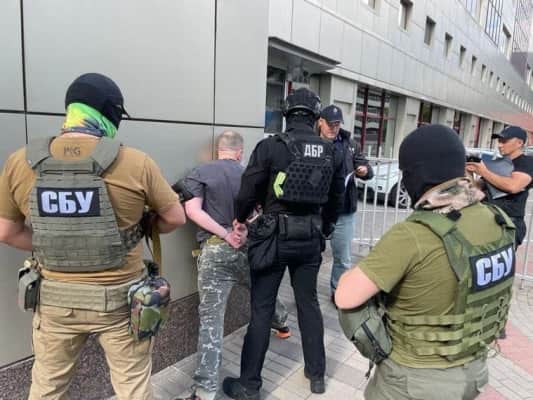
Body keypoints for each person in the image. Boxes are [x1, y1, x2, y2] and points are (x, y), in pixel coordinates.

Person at [0, 73, 186, 400]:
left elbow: (6, 231)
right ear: (110, 112)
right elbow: (175, 217)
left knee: (47, 389)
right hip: (121, 303)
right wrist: (143, 224)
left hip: (55, 303)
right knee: (133, 389)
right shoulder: (136, 162)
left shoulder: (21, 161)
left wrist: (57, 247)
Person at [335, 124, 516, 400]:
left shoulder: (414, 234)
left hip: (413, 383)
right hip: (473, 371)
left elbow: (346, 296)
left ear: (416, 175)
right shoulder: (498, 220)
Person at [222, 88, 345, 400]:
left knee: (262, 309)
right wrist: (326, 227)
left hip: (273, 238)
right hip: (310, 238)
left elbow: (248, 190)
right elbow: (336, 198)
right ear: (316, 117)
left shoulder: (271, 147)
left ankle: (249, 385)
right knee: (309, 304)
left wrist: (240, 218)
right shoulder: (332, 151)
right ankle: (317, 376)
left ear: (287, 114)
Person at [177, 131, 289, 400]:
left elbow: (192, 211)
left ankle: (204, 391)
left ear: (219, 150)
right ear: (239, 153)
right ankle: (282, 323)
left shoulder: (200, 172)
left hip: (215, 252)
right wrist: (242, 232)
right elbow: (264, 211)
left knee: (211, 322)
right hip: (249, 250)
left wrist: (226, 234)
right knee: (262, 295)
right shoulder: (251, 174)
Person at [317, 104, 373, 303]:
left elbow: (367, 167)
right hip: (317, 211)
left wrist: (364, 170)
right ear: (320, 122)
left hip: (343, 211)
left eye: (337, 124)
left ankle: (337, 292)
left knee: (343, 258)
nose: (334, 128)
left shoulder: (350, 144)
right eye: (330, 124)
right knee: (311, 256)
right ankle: (307, 294)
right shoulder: (311, 143)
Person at [467, 125, 533, 246]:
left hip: (508, 225)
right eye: (499, 141)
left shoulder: (527, 162)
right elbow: (476, 188)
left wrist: (484, 171)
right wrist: (468, 171)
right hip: (487, 221)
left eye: (504, 141)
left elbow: (513, 186)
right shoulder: (497, 164)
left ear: (519, 143)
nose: (499, 145)